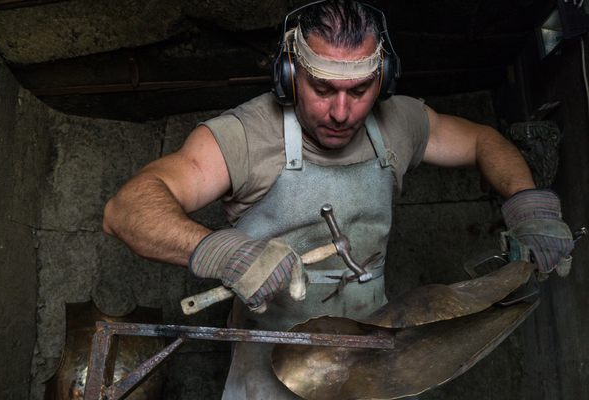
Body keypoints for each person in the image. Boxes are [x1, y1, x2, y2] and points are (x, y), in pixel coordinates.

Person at [102, 1, 574, 398]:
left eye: (360, 90)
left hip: (376, 343)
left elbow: (480, 141)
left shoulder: (398, 124)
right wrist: (220, 250)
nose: (341, 113)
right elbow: (126, 209)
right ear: (289, 76)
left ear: (383, 79)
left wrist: (528, 203)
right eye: (322, 88)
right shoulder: (245, 137)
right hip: (270, 351)